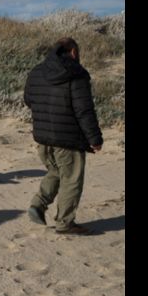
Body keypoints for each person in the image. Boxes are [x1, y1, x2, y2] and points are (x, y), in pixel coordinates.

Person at [24, 38, 103, 235]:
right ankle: (65, 223)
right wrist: (95, 138)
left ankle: (38, 205)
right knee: (71, 179)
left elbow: (28, 100)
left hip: (43, 137)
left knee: (55, 172)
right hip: (68, 139)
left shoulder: (37, 71)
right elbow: (84, 110)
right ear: (73, 52)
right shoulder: (76, 74)